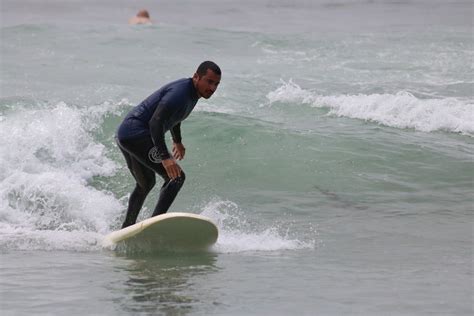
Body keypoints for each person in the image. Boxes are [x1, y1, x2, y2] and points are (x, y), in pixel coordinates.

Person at [116, 61, 221, 228]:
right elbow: (155, 123)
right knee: (176, 177)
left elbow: (174, 117)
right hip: (137, 134)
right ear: (196, 77)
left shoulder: (190, 92)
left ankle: (126, 228)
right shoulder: (179, 94)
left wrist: (177, 140)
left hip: (126, 134)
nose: (213, 88)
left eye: (216, 84)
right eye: (209, 81)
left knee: (146, 183)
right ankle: (154, 226)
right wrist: (165, 157)